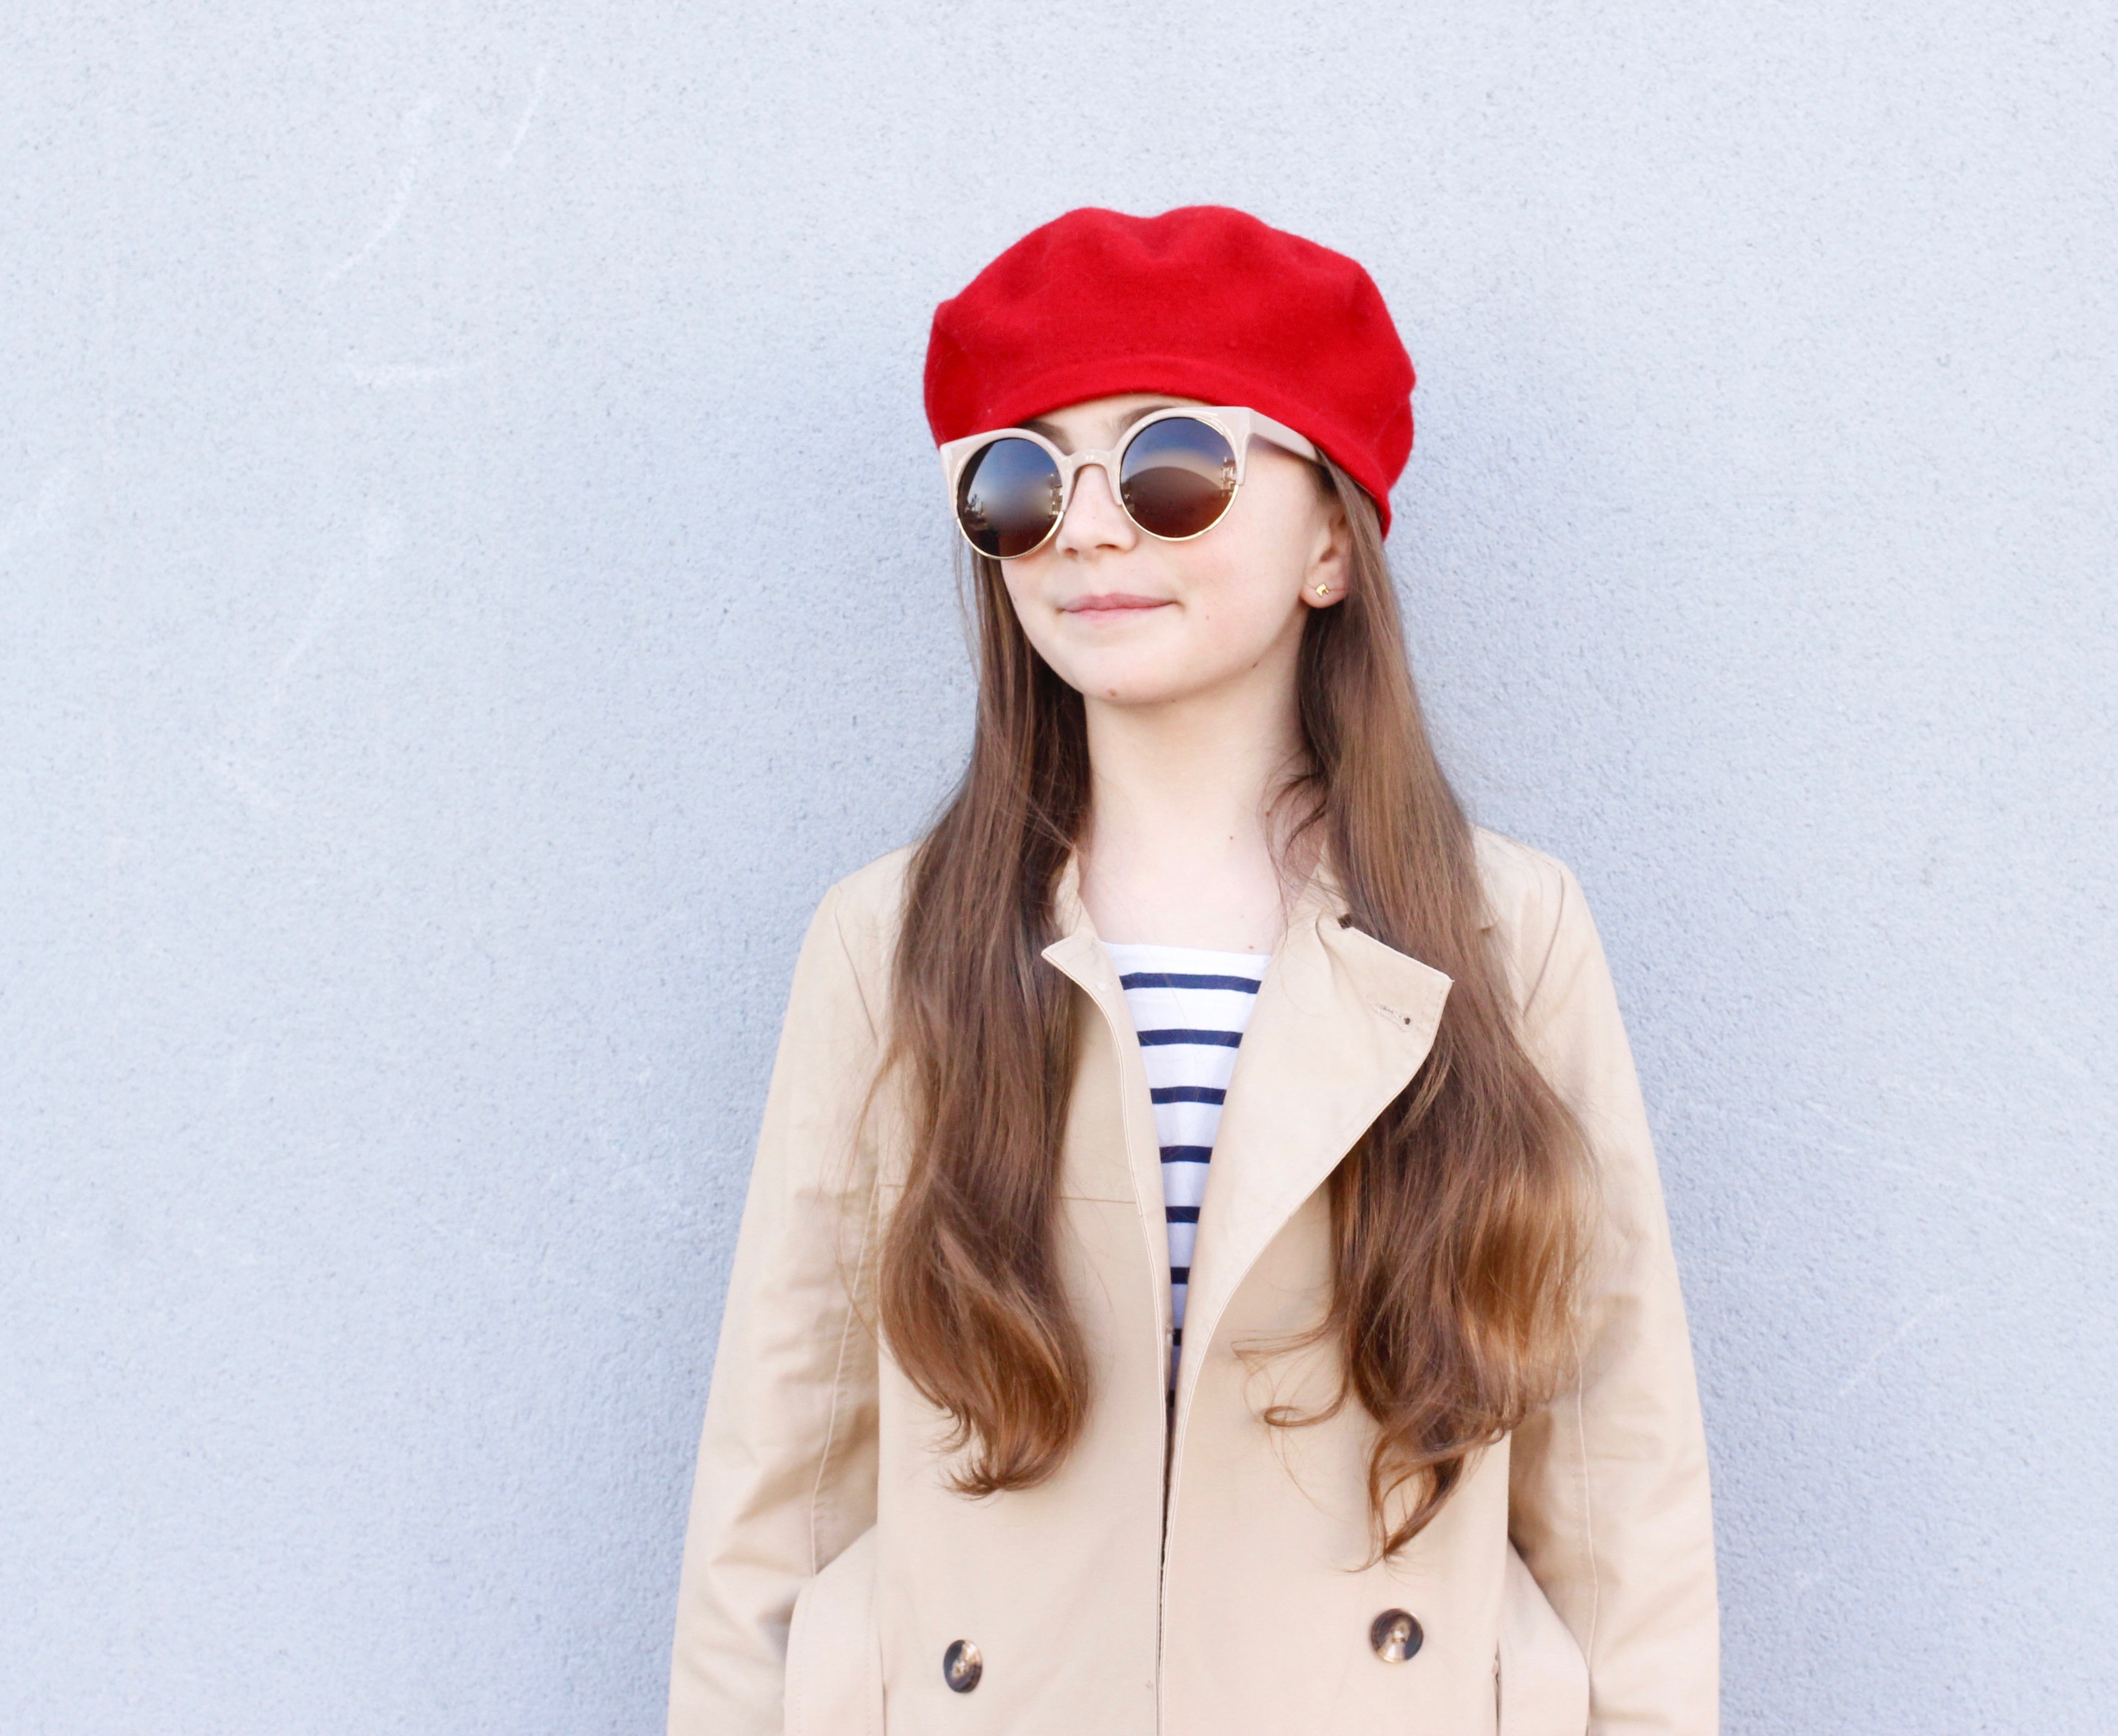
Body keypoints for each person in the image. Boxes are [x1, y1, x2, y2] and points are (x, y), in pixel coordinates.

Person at [667, 205, 1717, 1736]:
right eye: (1021, 482)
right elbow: (781, 1476)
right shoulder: (892, 944)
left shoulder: (1504, 934)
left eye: (1172, 466)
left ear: (1331, 544)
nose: (1089, 530)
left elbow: (1621, 1485)